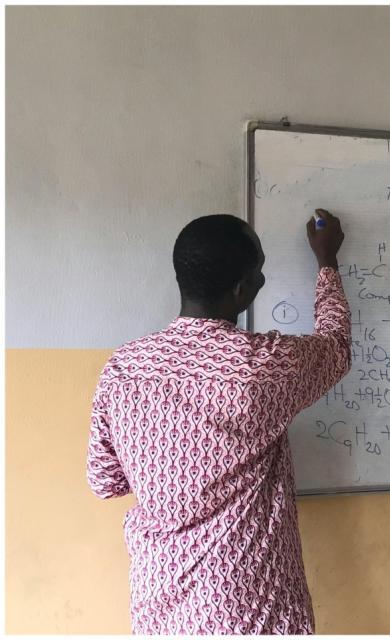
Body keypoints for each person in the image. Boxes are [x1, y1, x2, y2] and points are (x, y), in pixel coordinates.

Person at [86, 209, 350, 634]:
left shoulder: (123, 368)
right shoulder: (262, 366)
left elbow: (106, 481)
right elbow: (336, 348)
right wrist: (326, 262)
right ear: (242, 288)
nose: (263, 281)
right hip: (250, 604)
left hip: (160, 602)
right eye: (260, 271)